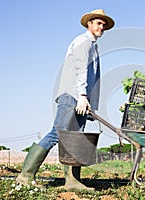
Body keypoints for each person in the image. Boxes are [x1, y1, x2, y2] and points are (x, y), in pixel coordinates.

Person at [16, 9, 115, 190]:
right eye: (98, 23)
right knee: (58, 133)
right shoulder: (83, 42)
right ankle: (25, 176)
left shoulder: (93, 46)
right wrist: (82, 96)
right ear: (89, 24)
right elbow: (80, 70)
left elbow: (92, 77)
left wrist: (88, 102)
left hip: (80, 99)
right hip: (72, 96)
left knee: (75, 138)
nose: (102, 27)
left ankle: (72, 181)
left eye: (104, 24)